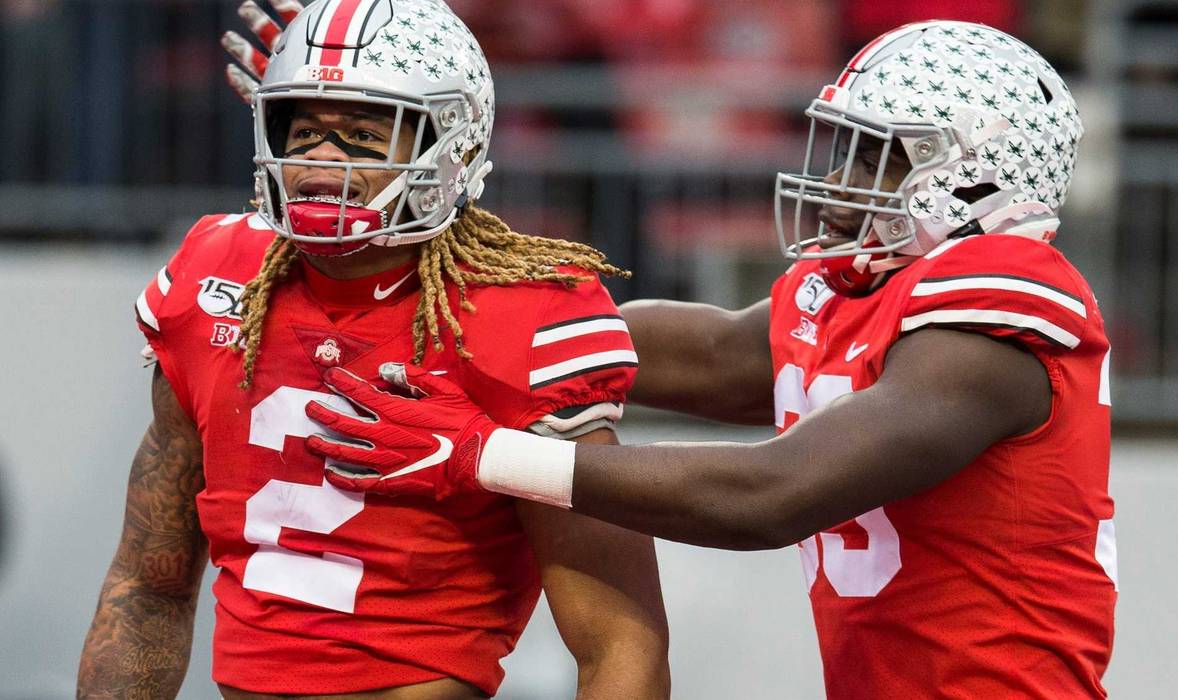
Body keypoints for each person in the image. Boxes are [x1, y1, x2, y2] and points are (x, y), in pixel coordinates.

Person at [304, 21, 1119, 698]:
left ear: (975, 178)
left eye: (879, 158)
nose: (838, 183)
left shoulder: (1003, 295)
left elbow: (767, 496)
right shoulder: (859, 293)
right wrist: (383, 187)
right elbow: (676, 347)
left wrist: (486, 456)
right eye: (845, 150)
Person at [77, 1, 670, 698]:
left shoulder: (524, 313)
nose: (322, 161)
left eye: (362, 135)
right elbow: (149, 585)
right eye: (303, 132)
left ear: (452, 145)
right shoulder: (214, 274)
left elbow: (618, 642)